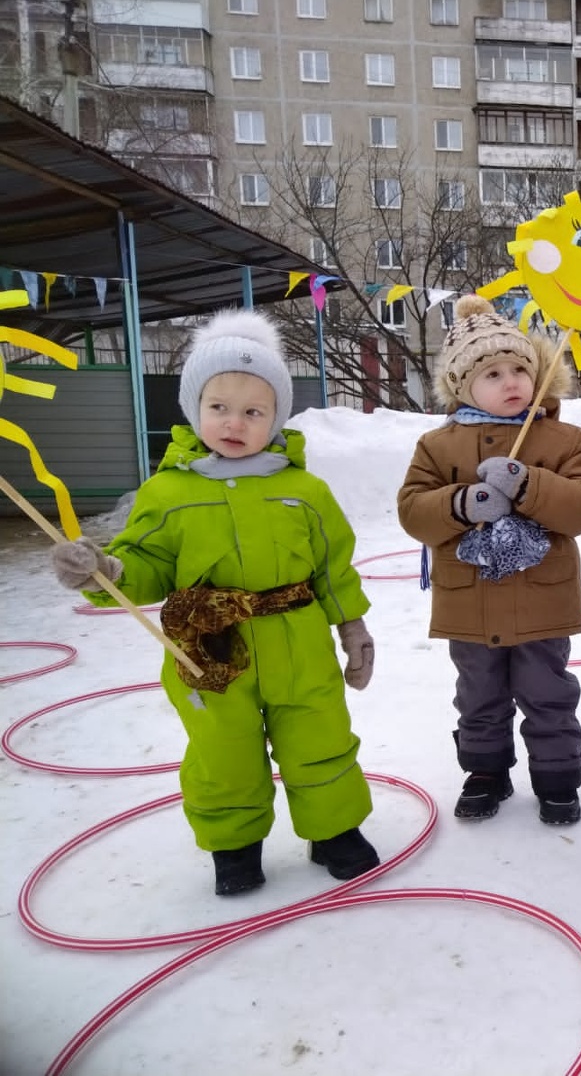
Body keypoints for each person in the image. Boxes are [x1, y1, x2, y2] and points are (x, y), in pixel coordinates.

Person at [49, 310, 380, 896]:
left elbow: (333, 566)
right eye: (219, 407)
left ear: (276, 416)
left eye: (253, 411)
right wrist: (105, 570)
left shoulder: (304, 490)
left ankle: (333, 831)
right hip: (208, 650)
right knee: (223, 751)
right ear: (193, 408)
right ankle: (235, 844)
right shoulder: (168, 493)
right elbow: (145, 567)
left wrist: (352, 628)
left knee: (320, 737)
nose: (234, 422)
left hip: (299, 641)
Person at [397, 295, 581, 825]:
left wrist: (528, 483)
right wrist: (461, 503)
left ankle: (558, 776)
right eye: (492, 372)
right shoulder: (437, 446)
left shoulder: (564, 438)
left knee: (547, 691)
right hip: (469, 604)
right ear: (462, 384)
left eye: (520, 367)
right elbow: (413, 510)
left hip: (541, 598)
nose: (511, 380)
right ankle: (485, 772)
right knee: (479, 695)